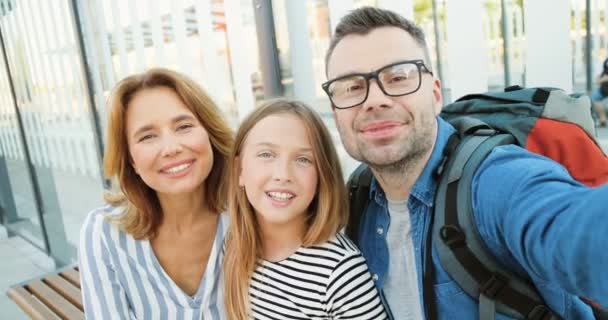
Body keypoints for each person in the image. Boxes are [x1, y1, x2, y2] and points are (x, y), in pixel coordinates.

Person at [322, 6, 608, 319]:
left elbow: (571, 227)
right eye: (352, 86)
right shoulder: (356, 200)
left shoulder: (493, 182)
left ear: (435, 95)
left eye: (398, 77)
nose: (374, 99)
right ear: (336, 113)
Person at [78, 68, 233, 319]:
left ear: (210, 134)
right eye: (148, 136)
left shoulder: (248, 214)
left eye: (183, 126)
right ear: (131, 160)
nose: (171, 148)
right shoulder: (103, 234)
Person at [223, 99, 388, 319]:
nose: (283, 174)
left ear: (322, 176)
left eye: (303, 159)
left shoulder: (339, 272)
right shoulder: (234, 244)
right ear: (238, 171)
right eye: (266, 155)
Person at [591, 58, 608, 127]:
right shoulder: (605, 61)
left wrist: (600, 80)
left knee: (596, 97)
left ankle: (603, 119)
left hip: (605, 86)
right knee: (595, 97)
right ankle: (603, 119)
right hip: (605, 87)